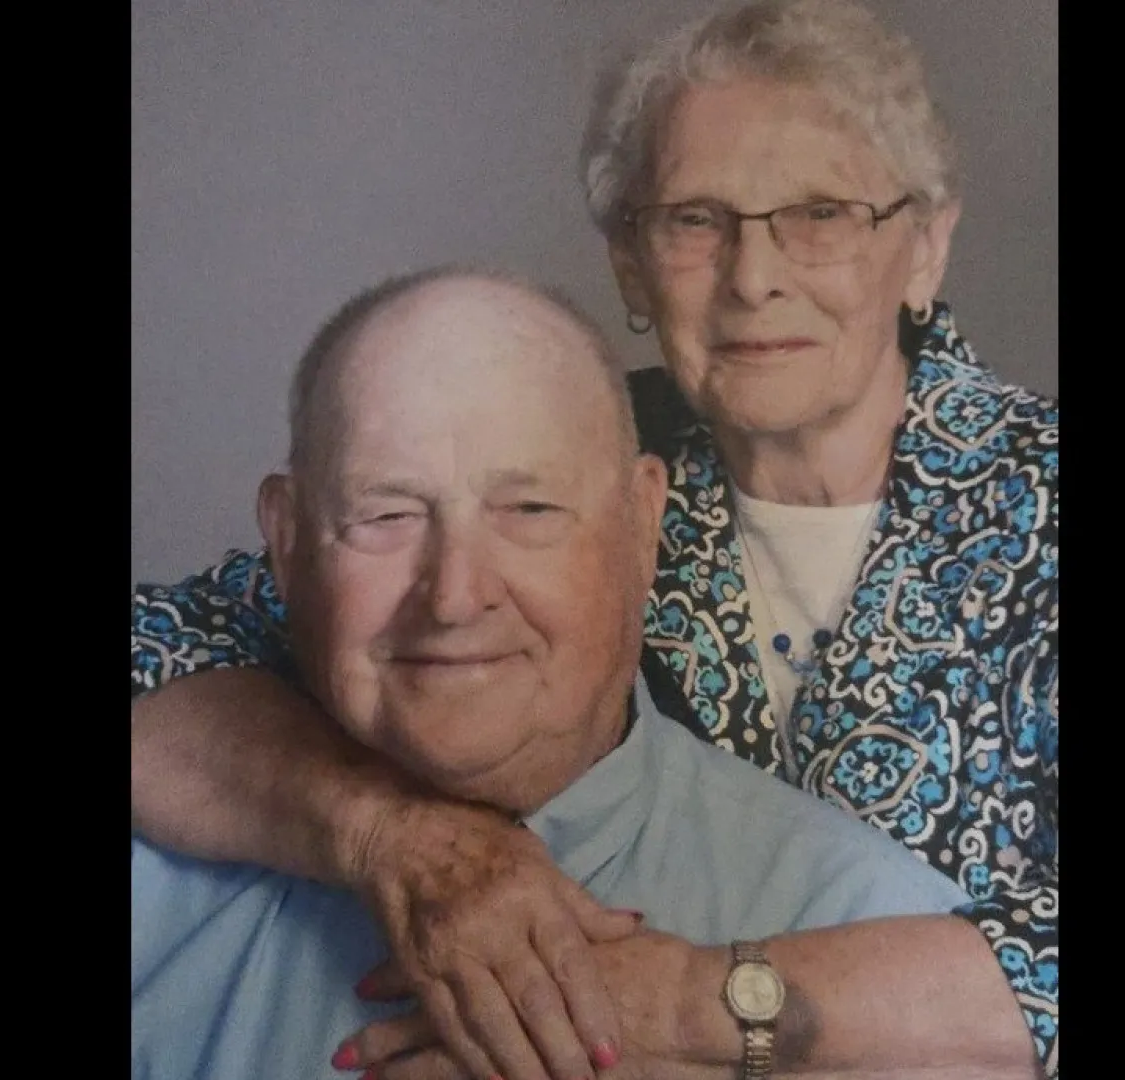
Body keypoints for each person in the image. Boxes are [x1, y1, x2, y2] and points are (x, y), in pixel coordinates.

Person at [131, 0, 1057, 1076]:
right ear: (629, 263)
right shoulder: (557, 456)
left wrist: (684, 1003)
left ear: (926, 246)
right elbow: (174, 649)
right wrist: (401, 836)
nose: (754, 276)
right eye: (695, 219)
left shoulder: (1036, 501)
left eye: (821, 213)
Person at [133, 267, 976, 1080]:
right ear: (285, 543)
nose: (454, 597)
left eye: (529, 509)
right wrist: (385, 834)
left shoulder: (871, 926)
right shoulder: (156, 885)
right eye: (386, 513)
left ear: (643, 524)